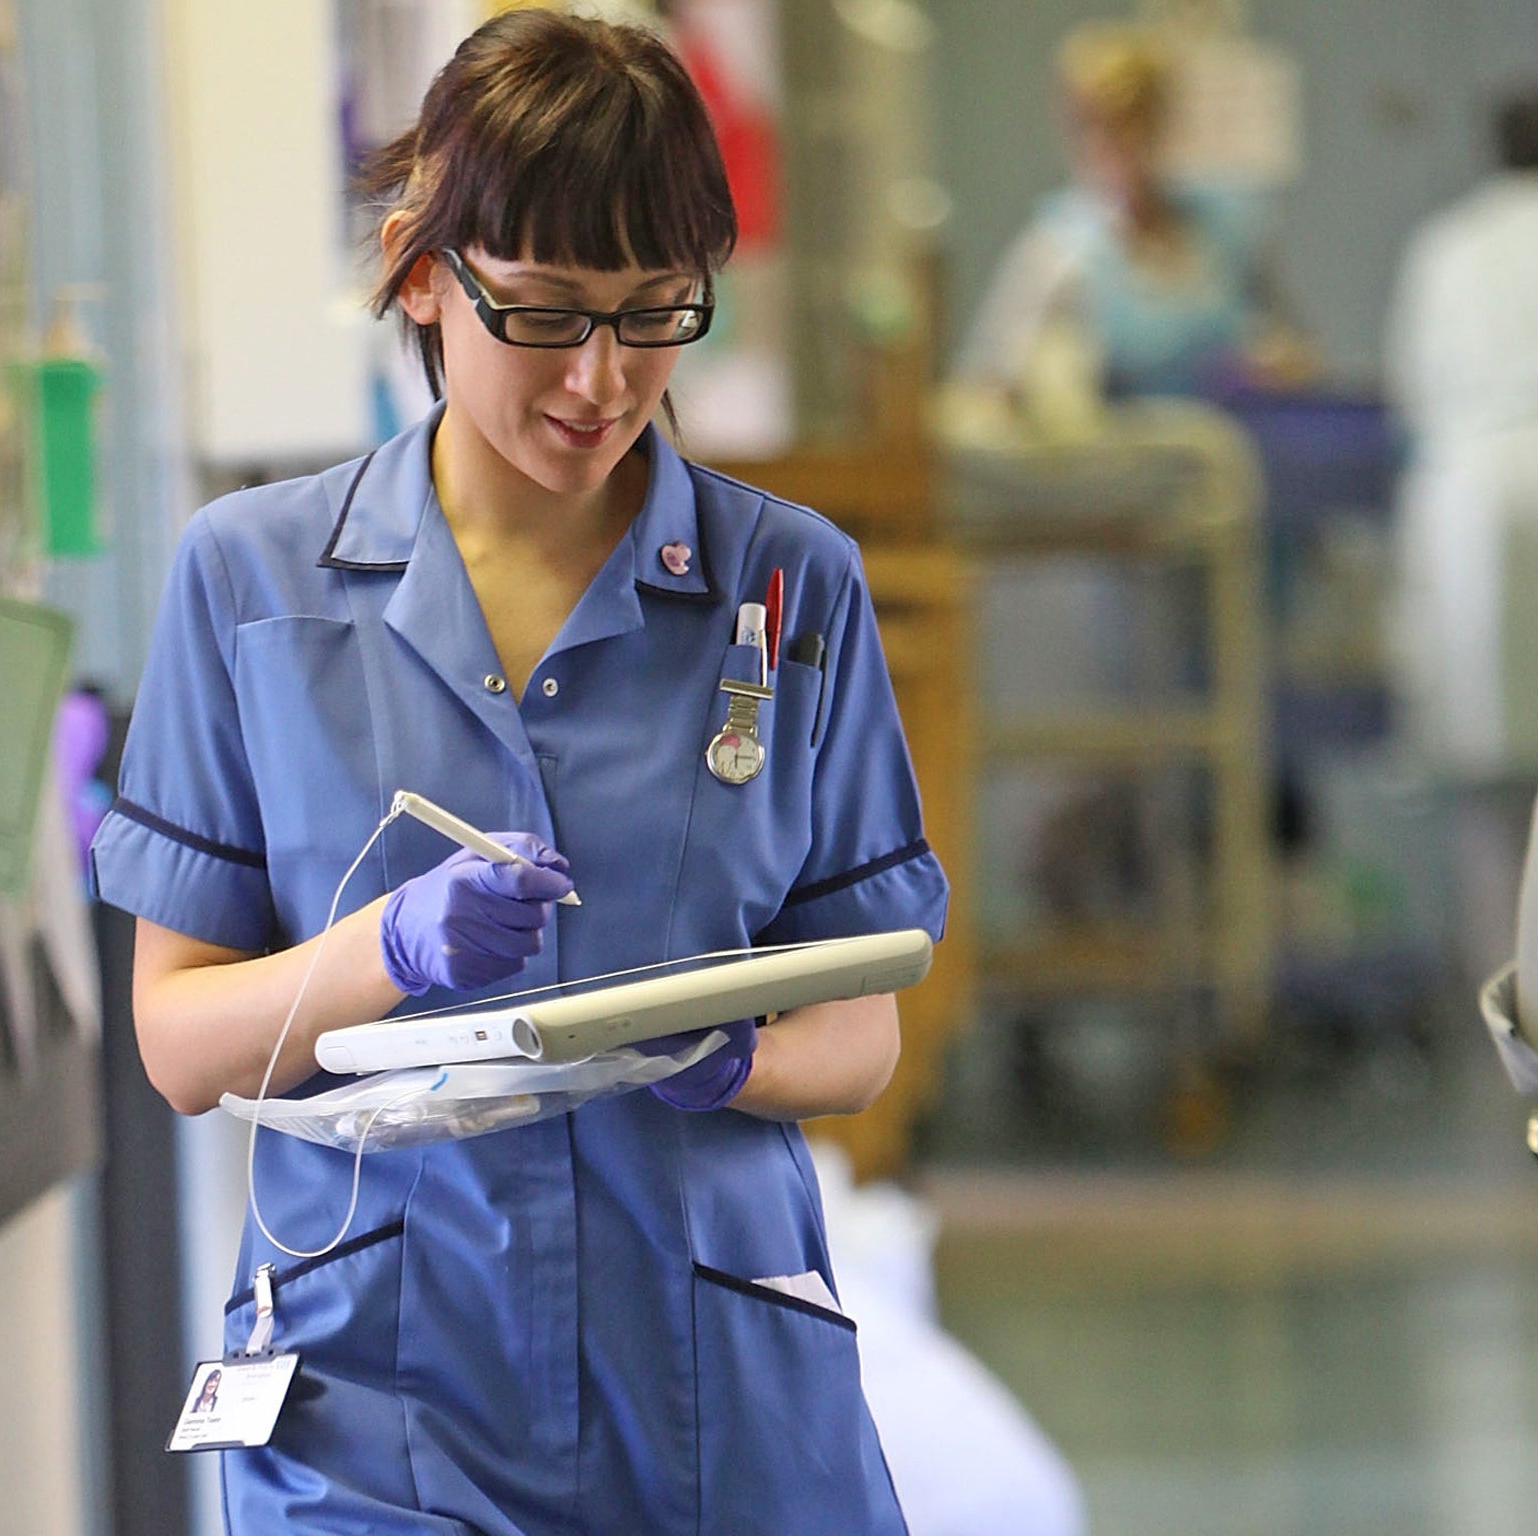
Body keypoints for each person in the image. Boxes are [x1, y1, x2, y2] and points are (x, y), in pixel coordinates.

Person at [90, 11, 948, 1533]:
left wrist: (729, 1057)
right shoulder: (256, 584)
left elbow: (860, 1030)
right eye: (545, 313)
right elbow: (179, 1042)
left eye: (654, 312)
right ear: (428, 271)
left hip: (709, 1391)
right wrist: (385, 953)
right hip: (374, 1399)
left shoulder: (785, 591)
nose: (602, 381)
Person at [1385, 84, 1538, 996]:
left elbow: (1412, 393)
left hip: (1471, 509)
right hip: (1484, 493)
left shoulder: (1447, 245)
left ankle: (1509, 1006)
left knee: (1486, 786)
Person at [954, 21, 1308, 408]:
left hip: (1221, 455)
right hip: (1116, 462)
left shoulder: (1227, 227)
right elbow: (988, 389)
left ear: (1162, 122)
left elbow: (1297, 355)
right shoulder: (1059, 252)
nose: (1116, 146)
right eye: (1094, 127)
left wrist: (1274, 369)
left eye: (1133, 124)